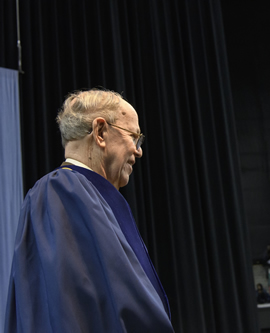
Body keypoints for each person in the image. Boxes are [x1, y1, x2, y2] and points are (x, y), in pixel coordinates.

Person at [4, 89, 174, 332]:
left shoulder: (90, 194)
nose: (138, 150)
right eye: (134, 136)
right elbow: (69, 306)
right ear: (101, 132)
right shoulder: (59, 191)